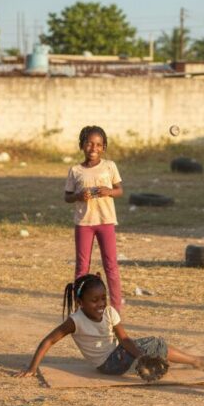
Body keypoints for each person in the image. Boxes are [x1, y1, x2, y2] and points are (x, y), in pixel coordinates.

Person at [15, 274, 204, 379]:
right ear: (81, 303)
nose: (101, 304)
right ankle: (197, 361)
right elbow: (49, 340)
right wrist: (32, 368)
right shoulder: (75, 320)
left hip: (118, 356)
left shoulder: (110, 312)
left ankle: (193, 361)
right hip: (108, 365)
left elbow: (124, 338)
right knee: (154, 343)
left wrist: (139, 356)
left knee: (153, 345)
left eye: (103, 298)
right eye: (94, 300)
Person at [64, 126, 125, 312]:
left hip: (106, 221)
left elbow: (119, 190)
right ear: (82, 145)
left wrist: (109, 192)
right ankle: (79, 307)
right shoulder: (75, 170)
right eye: (89, 143)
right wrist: (78, 196)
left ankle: (115, 308)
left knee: (111, 265)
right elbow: (67, 197)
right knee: (82, 266)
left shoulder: (109, 166)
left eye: (98, 145)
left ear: (104, 147)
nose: (93, 148)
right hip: (84, 223)